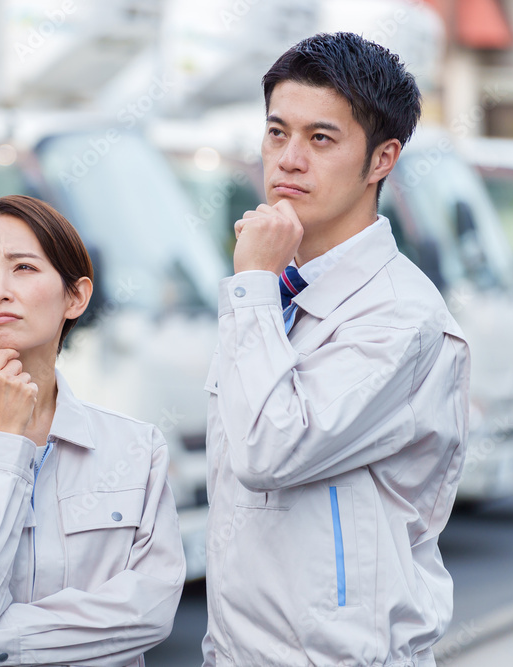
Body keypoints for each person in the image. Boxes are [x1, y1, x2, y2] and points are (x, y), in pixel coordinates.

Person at [201, 32, 471, 666]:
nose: (289, 159)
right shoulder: (271, 292)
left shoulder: (401, 318)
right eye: (276, 133)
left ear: (382, 159)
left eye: (320, 139)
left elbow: (270, 448)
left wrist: (253, 289)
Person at [0, 195, 186, 666]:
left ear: (76, 296)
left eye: (23, 268)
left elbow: (148, 613)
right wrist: (6, 443)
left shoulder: (136, 449)